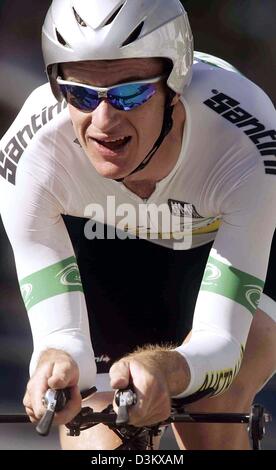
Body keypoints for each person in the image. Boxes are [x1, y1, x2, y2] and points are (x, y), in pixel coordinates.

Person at [0, 0, 275, 450]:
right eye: (82, 94)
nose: (104, 121)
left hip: (218, 243)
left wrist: (168, 369)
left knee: (209, 408)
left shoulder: (248, 147)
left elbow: (221, 341)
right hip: (108, 247)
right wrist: (55, 360)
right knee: (102, 438)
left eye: (131, 93)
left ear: (175, 85)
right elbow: (62, 337)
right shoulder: (31, 157)